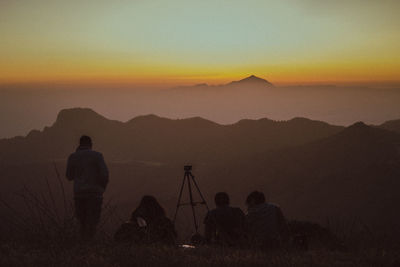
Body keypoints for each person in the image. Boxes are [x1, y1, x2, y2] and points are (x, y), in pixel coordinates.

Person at [66, 135, 109, 241]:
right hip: (95, 194)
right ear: (91, 144)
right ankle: (90, 245)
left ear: (79, 144)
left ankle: (83, 245)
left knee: (82, 222)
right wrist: (102, 188)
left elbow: (69, 176)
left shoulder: (73, 157)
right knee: (93, 222)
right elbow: (104, 174)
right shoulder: (97, 156)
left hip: (79, 194)